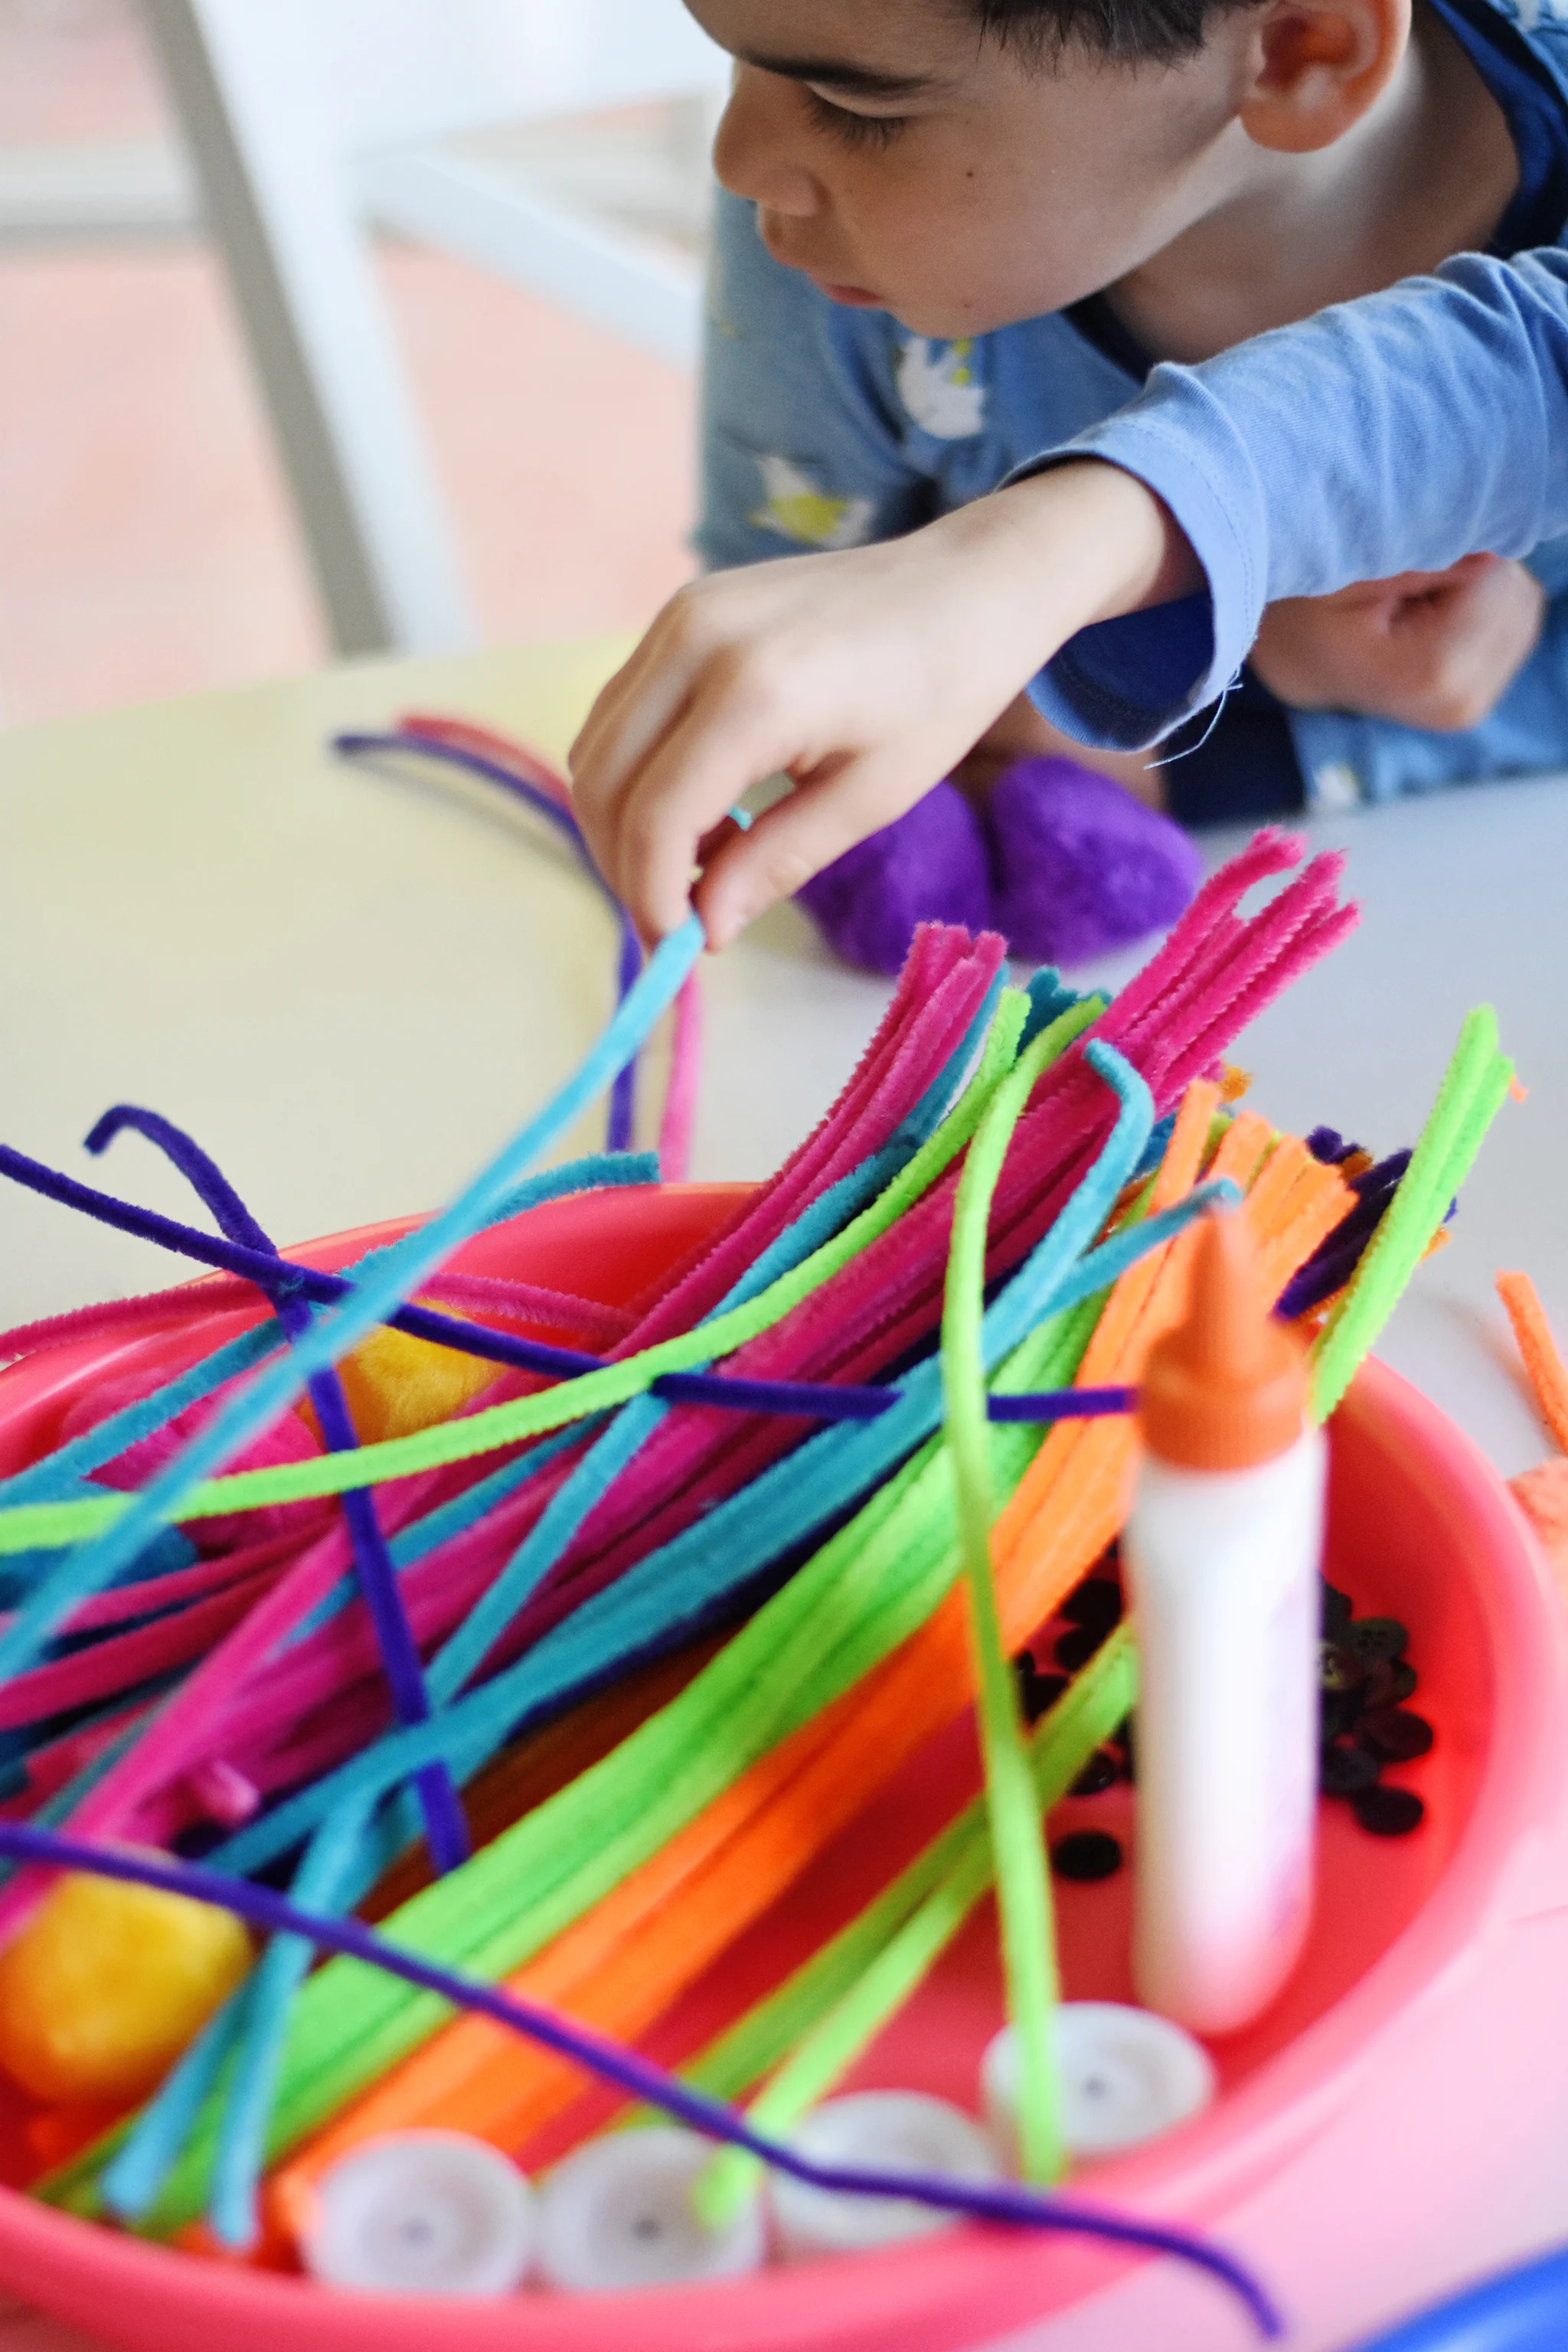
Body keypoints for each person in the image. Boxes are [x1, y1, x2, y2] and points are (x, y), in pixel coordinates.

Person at [568, 0, 1568, 962]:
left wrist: (1160, 688)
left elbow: (1534, 376)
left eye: (855, 109)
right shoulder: (835, 240)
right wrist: (1252, 650)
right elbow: (787, 674)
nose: (738, 163)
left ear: (1303, 49)